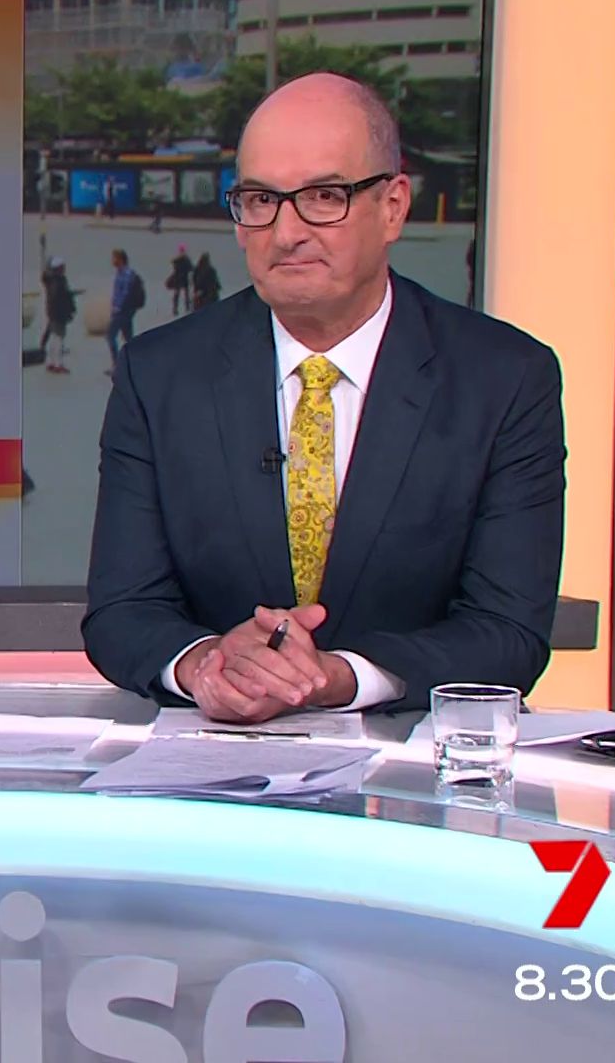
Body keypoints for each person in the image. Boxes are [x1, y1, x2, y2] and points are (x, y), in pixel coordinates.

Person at [82, 72, 565, 723]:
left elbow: (508, 632)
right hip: (213, 755)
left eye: (323, 197)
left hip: (417, 753)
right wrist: (208, 665)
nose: (286, 232)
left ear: (393, 207)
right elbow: (122, 612)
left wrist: (336, 677)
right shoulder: (159, 374)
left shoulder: (505, 379)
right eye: (260, 200)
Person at [105, 249, 144, 372]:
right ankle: (133, 363)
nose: (112, 261)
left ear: (120, 259)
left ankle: (117, 365)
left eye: (114, 258)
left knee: (110, 336)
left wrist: (117, 308)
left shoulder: (126, 274)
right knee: (128, 338)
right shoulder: (120, 272)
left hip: (123, 311)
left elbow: (124, 293)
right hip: (125, 310)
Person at [39, 257, 76, 373]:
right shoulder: (59, 281)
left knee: (54, 337)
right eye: (62, 267)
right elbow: (61, 298)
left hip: (52, 312)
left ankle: (51, 362)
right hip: (58, 314)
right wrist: (70, 308)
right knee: (59, 338)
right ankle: (58, 364)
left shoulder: (49, 280)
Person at [167, 245, 193, 315]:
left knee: (178, 295)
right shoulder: (186, 260)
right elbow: (191, 268)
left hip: (179, 279)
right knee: (183, 294)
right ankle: (185, 308)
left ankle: (177, 309)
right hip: (183, 279)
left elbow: (175, 267)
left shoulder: (178, 260)